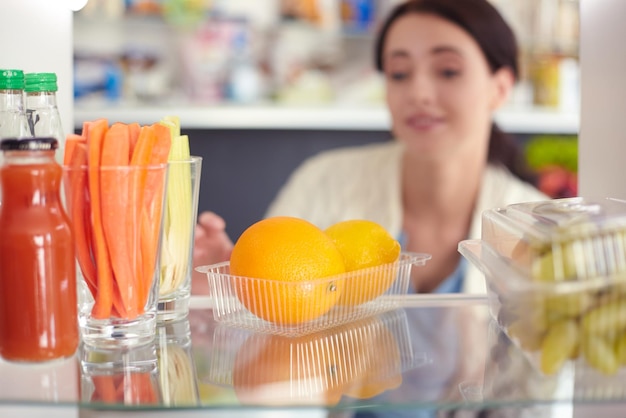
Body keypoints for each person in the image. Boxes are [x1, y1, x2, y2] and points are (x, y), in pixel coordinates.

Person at [193, 0, 548, 295]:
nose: (418, 94)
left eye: (448, 71)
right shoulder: (323, 181)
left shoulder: (539, 230)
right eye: (399, 73)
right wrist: (232, 292)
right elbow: (270, 323)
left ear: (500, 88)